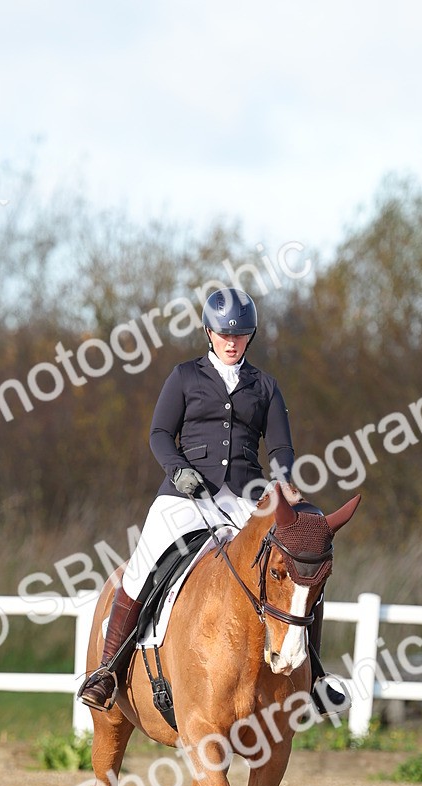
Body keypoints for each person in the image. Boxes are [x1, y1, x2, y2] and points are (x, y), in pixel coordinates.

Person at [78, 286, 346, 714]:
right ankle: (108, 669)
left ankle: (313, 675)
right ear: (209, 332)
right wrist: (178, 469)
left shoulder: (265, 386)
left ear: (250, 338)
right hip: (185, 494)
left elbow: (280, 447)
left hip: (245, 497)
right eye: (224, 334)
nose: (231, 341)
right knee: (142, 566)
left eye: (240, 336)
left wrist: (284, 481)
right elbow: (160, 435)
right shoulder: (185, 376)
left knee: (299, 562)